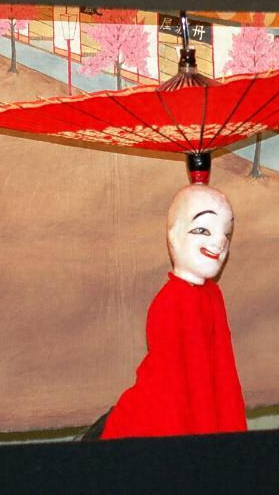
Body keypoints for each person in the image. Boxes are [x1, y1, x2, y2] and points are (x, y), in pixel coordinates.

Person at [99, 184, 247, 438]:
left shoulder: (211, 295)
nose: (220, 242)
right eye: (202, 230)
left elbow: (225, 380)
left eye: (227, 233)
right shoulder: (173, 302)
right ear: (174, 237)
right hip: (155, 432)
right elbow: (179, 394)